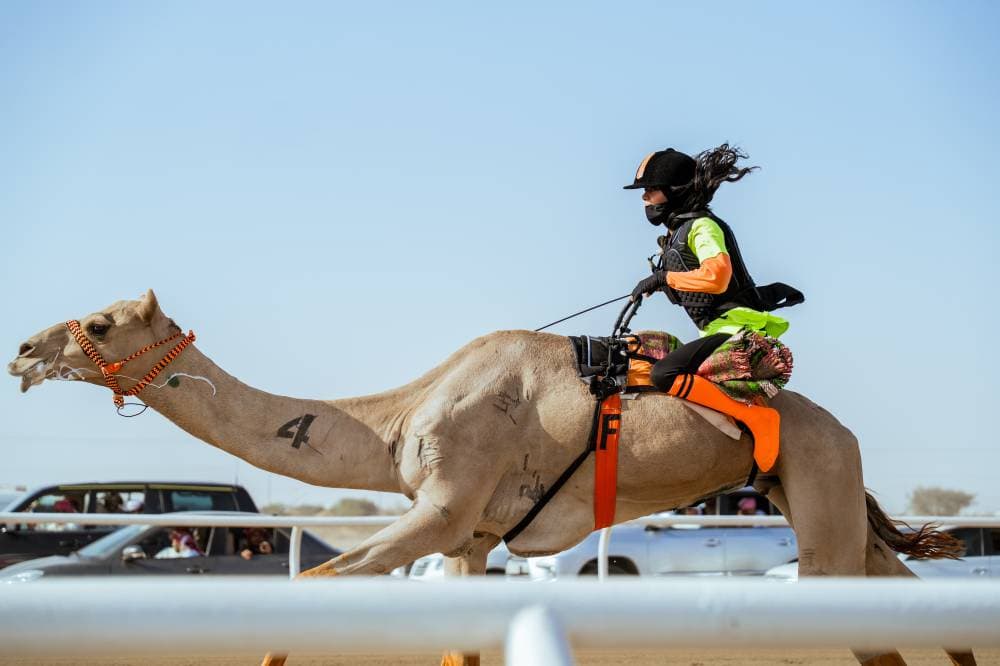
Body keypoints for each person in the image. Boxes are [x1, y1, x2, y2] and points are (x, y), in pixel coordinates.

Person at [626, 145, 803, 466]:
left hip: (735, 329)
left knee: (665, 374)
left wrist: (665, 278)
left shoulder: (703, 227)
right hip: (713, 330)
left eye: (651, 190)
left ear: (674, 191)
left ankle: (756, 418)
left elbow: (717, 277)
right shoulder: (678, 233)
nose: (645, 199)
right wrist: (659, 283)